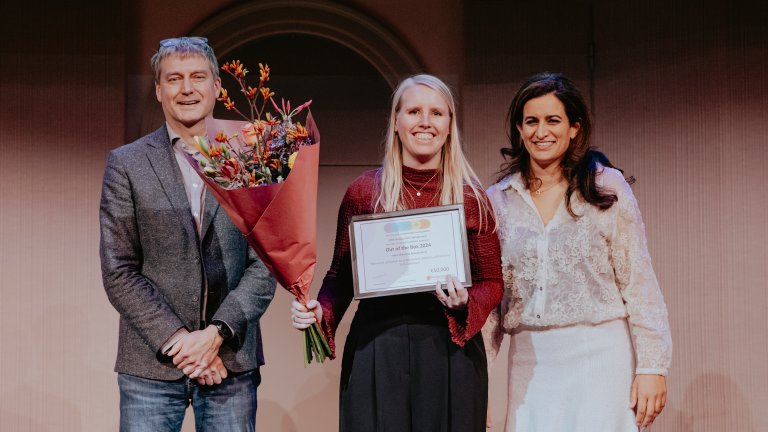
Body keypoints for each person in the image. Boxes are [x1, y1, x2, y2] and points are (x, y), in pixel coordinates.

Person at [291, 74, 503, 431]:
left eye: (436, 113)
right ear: (396, 121)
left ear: (449, 125)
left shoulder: (472, 198)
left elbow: (492, 282)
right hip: (378, 344)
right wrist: (320, 311)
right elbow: (340, 277)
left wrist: (466, 302)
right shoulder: (363, 192)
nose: (425, 122)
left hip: (450, 346)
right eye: (414, 111)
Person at [99, 36, 276, 431]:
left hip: (230, 359)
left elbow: (265, 262)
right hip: (151, 364)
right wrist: (183, 343)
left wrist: (215, 335)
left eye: (198, 77)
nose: (187, 88)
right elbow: (119, 270)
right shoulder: (127, 164)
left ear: (217, 86)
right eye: (174, 79)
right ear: (159, 90)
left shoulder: (251, 159)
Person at [483, 72, 673, 431]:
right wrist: (473, 379)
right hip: (531, 361)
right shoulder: (498, 200)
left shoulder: (606, 187)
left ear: (574, 128)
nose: (542, 132)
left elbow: (639, 281)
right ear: (519, 130)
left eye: (553, 120)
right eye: (531, 122)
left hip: (600, 356)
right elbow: (491, 301)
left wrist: (652, 367)